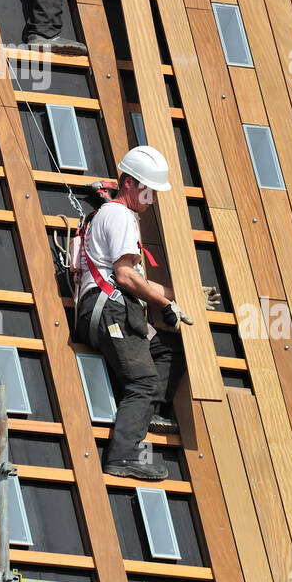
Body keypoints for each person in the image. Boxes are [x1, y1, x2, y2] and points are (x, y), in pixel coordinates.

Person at [75, 146, 191, 481]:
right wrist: (165, 303)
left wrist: (175, 296)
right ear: (129, 182)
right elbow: (125, 276)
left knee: (168, 351)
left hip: (109, 310)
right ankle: (123, 457)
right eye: (149, 190)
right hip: (110, 310)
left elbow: (129, 278)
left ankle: (144, 412)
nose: (152, 199)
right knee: (143, 380)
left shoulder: (112, 215)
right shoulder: (121, 216)